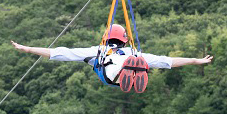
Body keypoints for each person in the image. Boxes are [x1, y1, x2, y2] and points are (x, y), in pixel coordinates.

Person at [11, 23, 212, 91]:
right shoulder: (133, 52)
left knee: (126, 62)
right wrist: (195, 61)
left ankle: (128, 74)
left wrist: (27, 48)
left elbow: (60, 53)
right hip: (124, 68)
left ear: (107, 38)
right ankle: (133, 75)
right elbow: (167, 61)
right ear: (124, 40)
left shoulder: (97, 50)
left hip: (111, 73)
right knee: (145, 60)